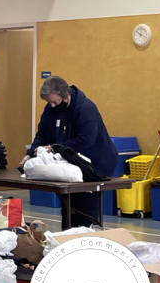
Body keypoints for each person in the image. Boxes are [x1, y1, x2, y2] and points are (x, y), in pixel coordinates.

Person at [19, 76, 117, 229]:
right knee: (68, 207)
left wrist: (55, 147)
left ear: (66, 96)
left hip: (95, 163)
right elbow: (42, 134)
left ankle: (87, 239)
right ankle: (68, 238)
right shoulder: (51, 109)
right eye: (48, 103)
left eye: (54, 102)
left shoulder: (86, 109)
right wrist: (30, 153)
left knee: (86, 209)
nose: (51, 106)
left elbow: (85, 140)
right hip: (71, 163)